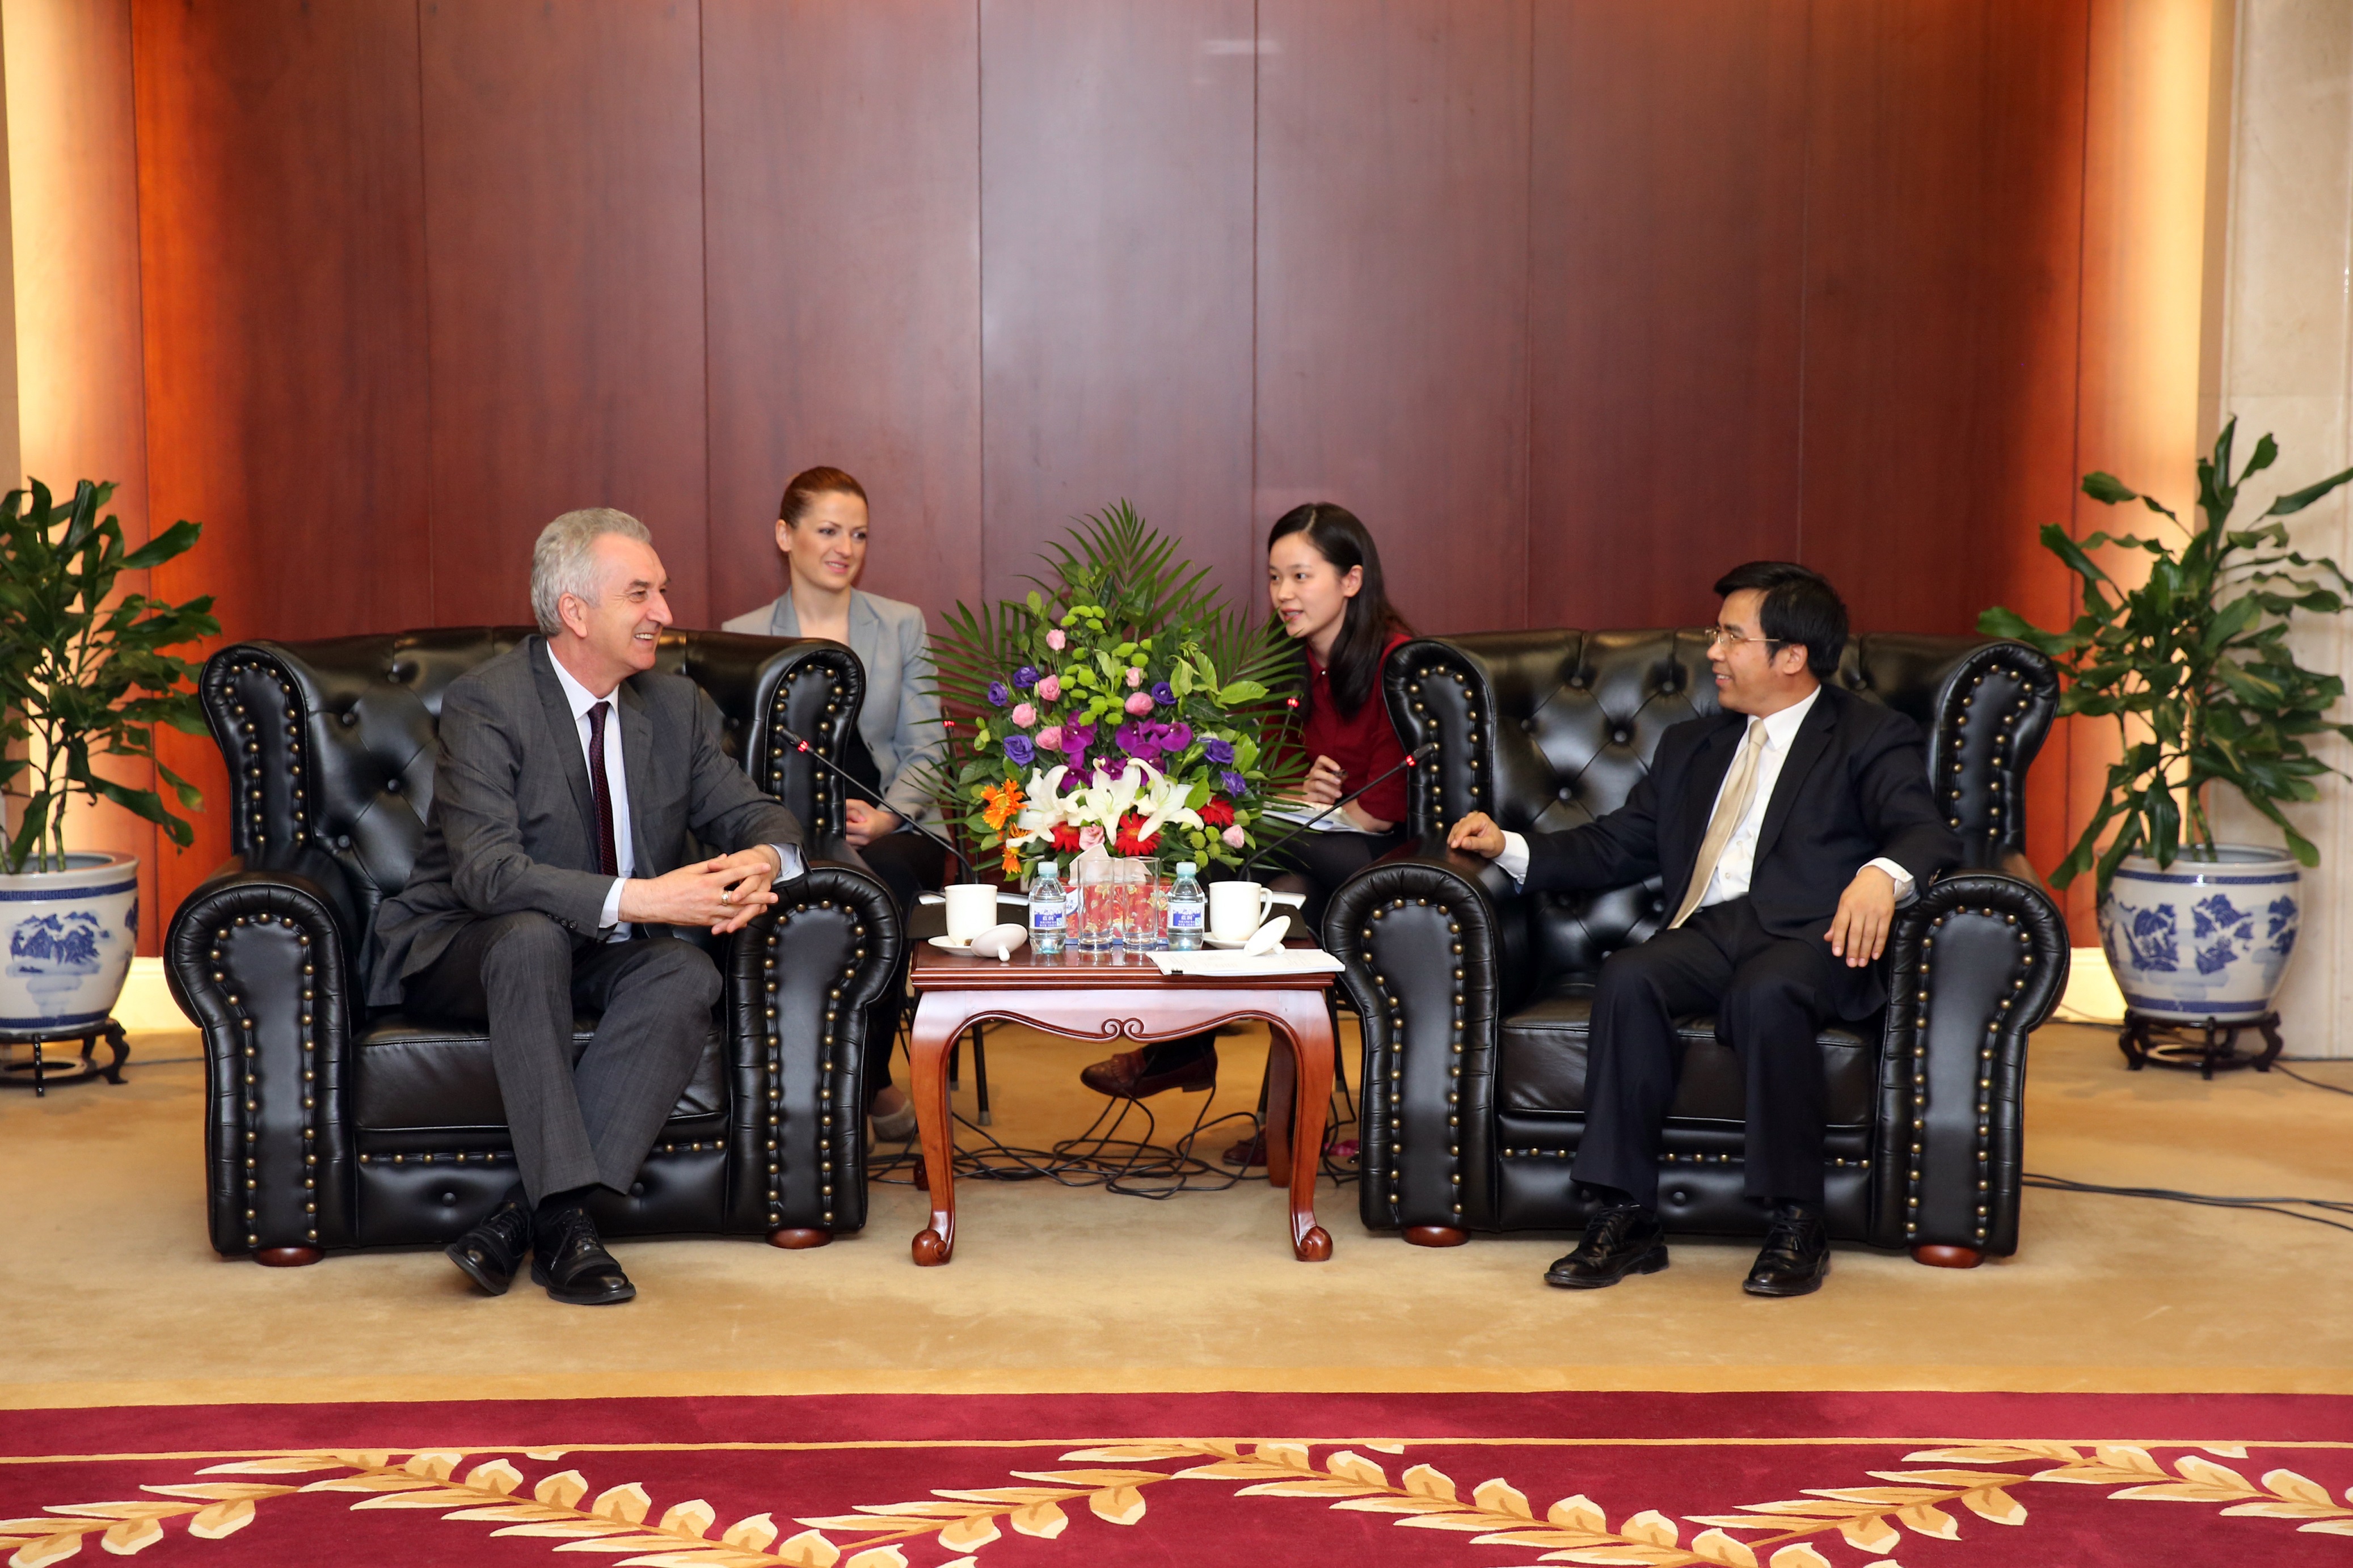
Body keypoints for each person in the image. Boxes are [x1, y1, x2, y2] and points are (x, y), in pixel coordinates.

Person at [1446, 562, 1959, 1298]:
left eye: (1731, 636)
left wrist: (1880, 875)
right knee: (1630, 976)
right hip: (1712, 929)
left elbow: (1924, 831)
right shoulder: (1693, 744)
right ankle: (1625, 1213)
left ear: (1791, 655)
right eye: (1716, 634)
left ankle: (1796, 1219)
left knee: (1768, 992)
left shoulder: (1868, 735)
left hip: (1811, 936)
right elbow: (1617, 844)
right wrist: (1510, 847)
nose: (1712, 651)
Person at [371, 508, 806, 1307]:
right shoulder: (488, 702)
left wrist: (764, 860)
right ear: (575, 611)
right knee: (531, 937)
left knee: (684, 972)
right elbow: (488, 874)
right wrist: (647, 896)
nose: (664, 612)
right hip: (466, 944)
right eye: (640, 593)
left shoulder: (672, 708)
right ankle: (567, 1231)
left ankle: (533, 1216)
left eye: (662, 591)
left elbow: (759, 815)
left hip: (597, 950)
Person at [1077, 502, 1414, 1127]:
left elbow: (1377, 812)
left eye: (1301, 576)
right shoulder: (1293, 664)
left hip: (1387, 855)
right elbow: (1270, 778)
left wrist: (1322, 802)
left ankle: (1179, 1047)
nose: (1283, 594)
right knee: (1289, 898)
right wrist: (1304, 788)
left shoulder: (1399, 663)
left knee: (1221, 842)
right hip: (1322, 851)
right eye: (1274, 577)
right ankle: (1285, 1126)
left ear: (1351, 580)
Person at [723, 466, 946, 1142]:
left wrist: (885, 815)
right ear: (784, 535)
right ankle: (859, 1086)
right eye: (827, 530)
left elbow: (929, 746)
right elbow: (735, 765)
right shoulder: (743, 634)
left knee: (881, 887)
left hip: (894, 823)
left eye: (859, 534)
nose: (844, 547)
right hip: (788, 830)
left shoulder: (900, 624)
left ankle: (858, 1083)